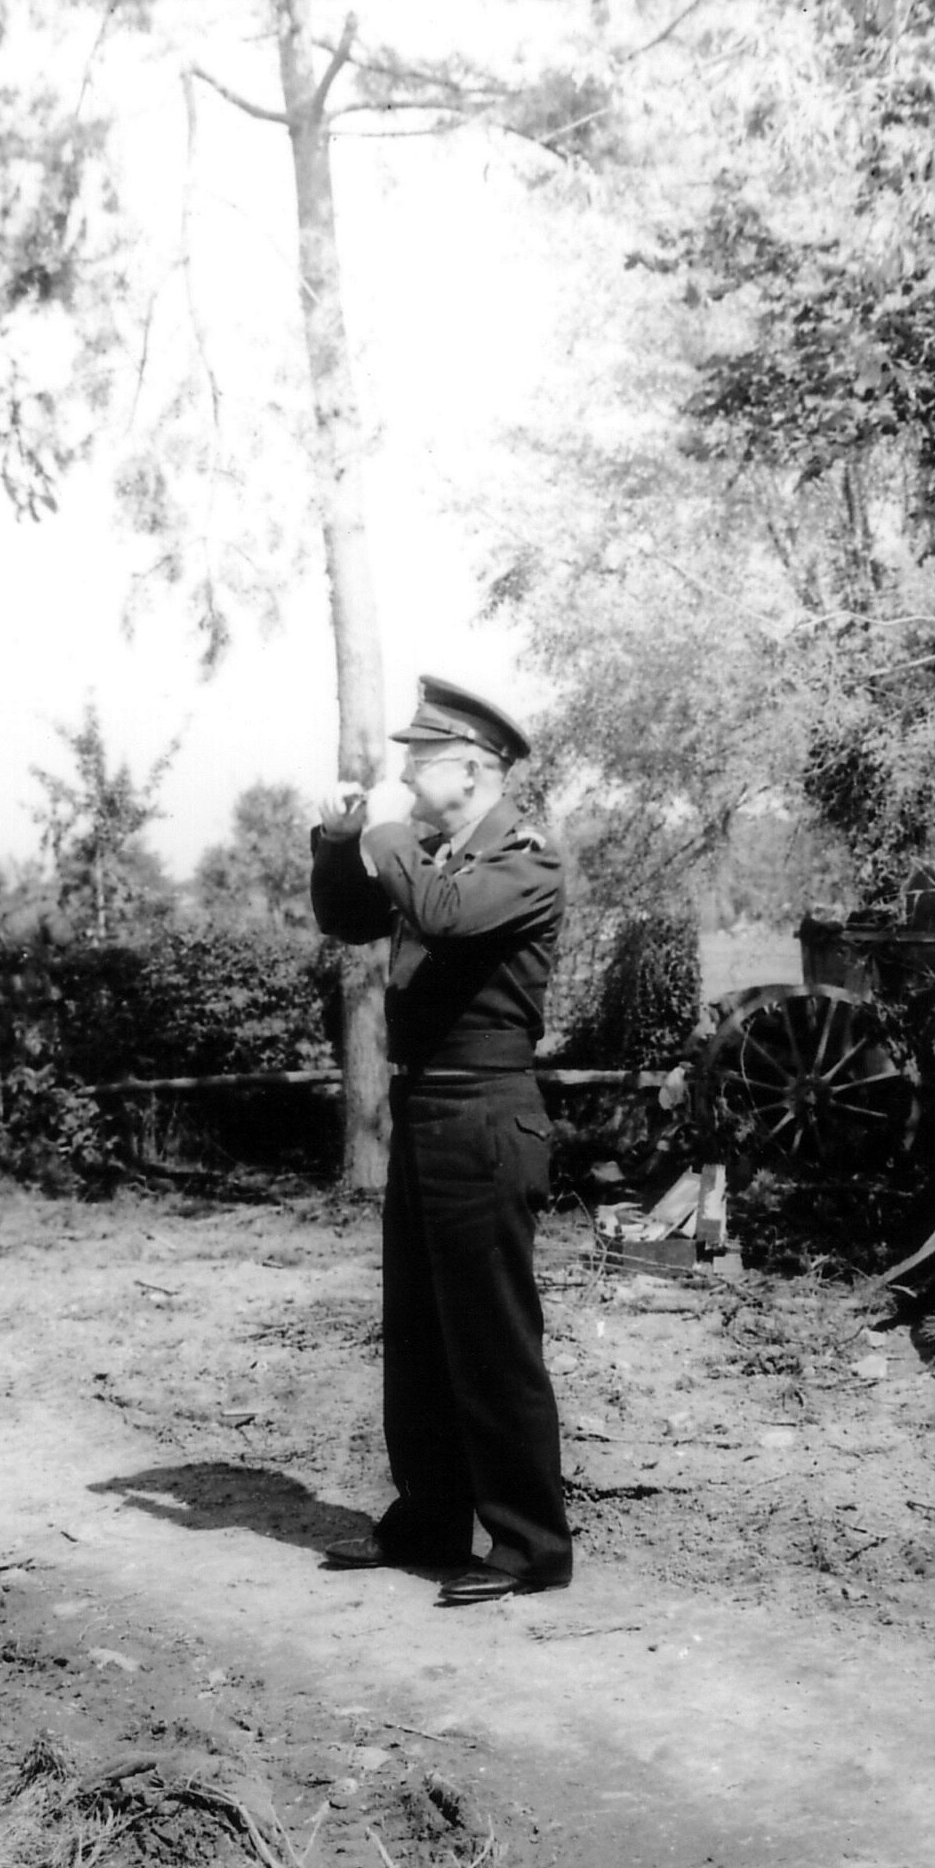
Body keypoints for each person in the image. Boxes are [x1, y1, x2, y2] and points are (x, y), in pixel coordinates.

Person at [309, 675, 573, 1607]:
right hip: (424, 1115)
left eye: (419, 761)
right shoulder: (428, 853)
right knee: (419, 1336)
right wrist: (344, 844)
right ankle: (428, 1517)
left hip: (486, 1114)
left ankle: (532, 1544)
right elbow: (348, 918)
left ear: (472, 768)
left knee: (493, 1339)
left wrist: (380, 832)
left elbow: (443, 916)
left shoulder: (525, 858)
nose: (407, 775)